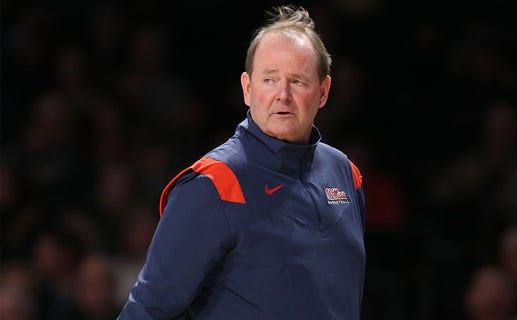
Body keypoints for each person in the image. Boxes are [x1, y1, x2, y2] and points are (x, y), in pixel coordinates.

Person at [117, 5, 366, 320]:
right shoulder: (214, 184)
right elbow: (148, 310)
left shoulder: (345, 174)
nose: (283, 95)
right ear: (248, 89)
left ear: (324, 92)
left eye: (298, 81)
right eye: (269, 80)